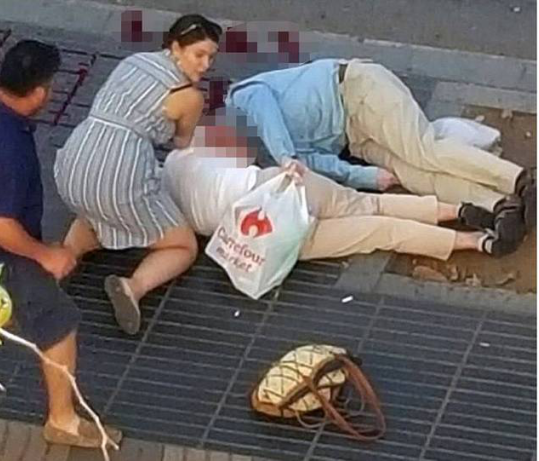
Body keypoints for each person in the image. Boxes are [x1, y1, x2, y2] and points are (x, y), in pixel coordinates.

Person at [225, 58, 535, 237]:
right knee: (412, 176)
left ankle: (521, 180)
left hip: (354, 89)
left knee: (422, 149)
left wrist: (284, 156)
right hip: (354, 139)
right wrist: (367, 177)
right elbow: (311, 162)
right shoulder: (261, 155)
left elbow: (265, 107)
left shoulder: (239, 99)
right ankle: (498, 206)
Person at [0, 40, 121, 448]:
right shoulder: (8, 146)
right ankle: (61, 421)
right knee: (56, 319)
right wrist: (46, 254)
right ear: (40, 91)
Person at [54, 14, 222, 335]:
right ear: (176, 47)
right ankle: (133, 286)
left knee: (92, 214)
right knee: (182, 246)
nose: (205, 66)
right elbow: (182, 143)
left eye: (210, 58)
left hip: (74, 161)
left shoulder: (134, 61)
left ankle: (60, 261)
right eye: (198, 55)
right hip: (119, 173)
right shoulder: (189, 96)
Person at [162, 115, 524, 263]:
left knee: (381, 232)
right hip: (281, 186)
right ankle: (457, 210)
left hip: (273, 236)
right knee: (369, 204)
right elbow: (243, 155)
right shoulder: (184, 153)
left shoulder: (172, 217)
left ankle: (477, 242)